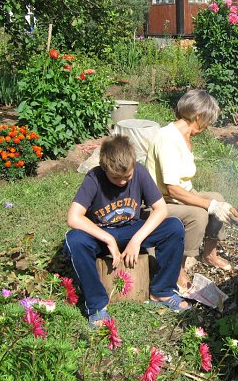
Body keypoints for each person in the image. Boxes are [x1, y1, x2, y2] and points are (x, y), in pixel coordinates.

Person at [64, 135, 190, 326]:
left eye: (127, 177)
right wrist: (108, 239)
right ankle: (97, 306)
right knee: (74, 240)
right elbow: (73, 217)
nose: (122, 182)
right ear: (104, 168)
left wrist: (136, 240)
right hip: (101, 234)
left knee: (173, 227)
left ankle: (162, 291)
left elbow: (161, 209)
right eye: (116, 177)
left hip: (131, 229)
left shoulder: (139, 171)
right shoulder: (94, 177)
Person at [145, 89, 238, 290]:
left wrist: (214, 203)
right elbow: (173, 189)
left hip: (178, 196)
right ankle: (177, 268)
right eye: (207, 122)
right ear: (198, 116)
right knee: (198, 214)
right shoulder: (168, 139)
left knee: (217, 197)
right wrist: (209, 205)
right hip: (160, 202)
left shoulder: (184, 136)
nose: (207, 127)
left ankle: (209, 254)